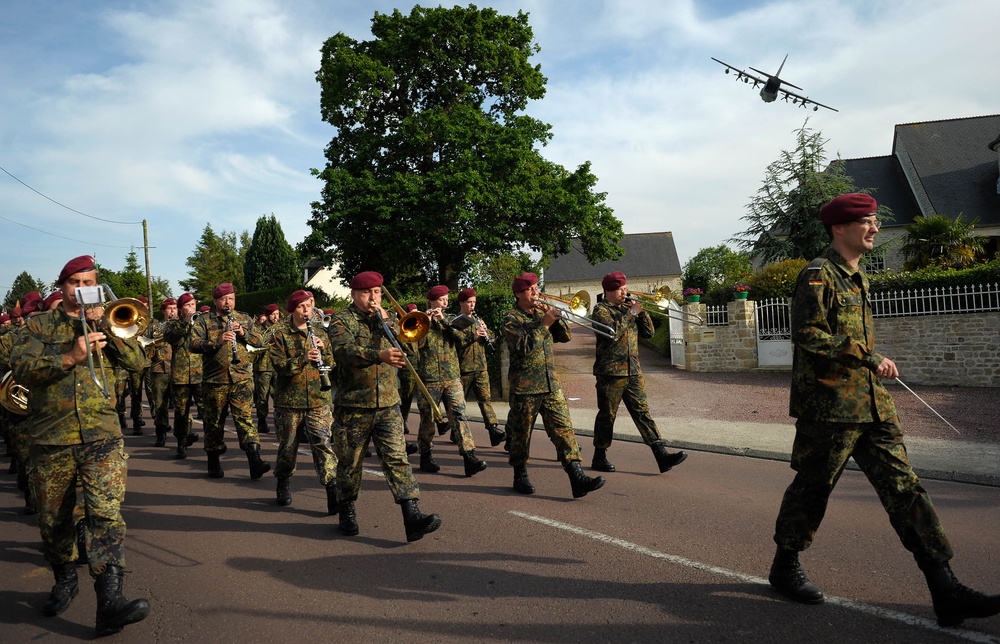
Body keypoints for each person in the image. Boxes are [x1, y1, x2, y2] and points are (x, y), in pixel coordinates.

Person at [768, 193, 1000, 628]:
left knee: (906, 491)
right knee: (812, 490)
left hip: (873, 405)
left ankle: (945, 588)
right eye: (867, 222)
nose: (875, 228)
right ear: (840, 228)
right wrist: (868, 355)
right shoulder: (819, 275)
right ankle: (785, 565)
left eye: (875, 221)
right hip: (830, 408)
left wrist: (869, 366)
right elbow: (807, 335)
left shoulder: (858, 278)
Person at [11, 255, 150, 636]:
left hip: (102, 434)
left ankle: (110, 601)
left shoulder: (107, 321)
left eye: (89, 281)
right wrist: (70, 356)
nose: (82, 288)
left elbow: (138, 363)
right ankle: (65, 579)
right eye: (75, 282)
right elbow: (22, 369)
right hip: (51, 436)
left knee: (105, 515)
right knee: (54, 522)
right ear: (63, 286)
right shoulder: (39, 325)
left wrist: (108, 329)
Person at [327, 271, 441, 543]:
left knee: (397, 460)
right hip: (354, 405)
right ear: (354, 294)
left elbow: (412, 352)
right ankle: (347, 509)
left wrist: (392, 328)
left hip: (389, 404)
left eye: (377, 292)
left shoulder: (388, 317)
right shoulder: (342, 320)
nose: (374, 298)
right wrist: (378, 354)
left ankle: (412, 516)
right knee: (350, 464)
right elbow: (343, 352)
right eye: (368, 293)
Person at [503, 272, 605, 499]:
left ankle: (577, 477)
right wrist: (544, 324)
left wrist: (558, 319)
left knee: (564, 430)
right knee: (521, 435)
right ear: (519, 293)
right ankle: (519, 474)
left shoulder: (541, 312)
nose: (536, 292)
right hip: (525, 387)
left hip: (551, 384)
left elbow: (565, 337)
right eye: (530, 289)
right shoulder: (512, 319)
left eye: (536, 287)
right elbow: (523, 347)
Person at [590, 271, 687, 474]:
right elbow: (612, 333)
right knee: (607, 416)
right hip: (610, 373)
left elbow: (649, 334)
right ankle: (599, 456)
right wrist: (631, 313)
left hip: (633, 370)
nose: (625, 292)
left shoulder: (629, 309)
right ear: (608, 291)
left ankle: (661, 454)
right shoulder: (601, 310)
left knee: (642, 413)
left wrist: (642, 313)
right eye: (620, 289)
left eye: (625, 287)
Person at [190, 283, 270, 480]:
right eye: (224, 299)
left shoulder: (244, 318)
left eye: (232, 299)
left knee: (244, 419)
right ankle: (214, 461)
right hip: (215, 380)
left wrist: (243, 333)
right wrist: (215, 342)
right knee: (214, 422)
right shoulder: (204, 320)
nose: (228, 303)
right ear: (216, 301)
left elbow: (261, 341)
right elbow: (192, 344)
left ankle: (255, 460)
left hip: (241, 377)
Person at [268, 290, 338, 513]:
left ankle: (332, 490)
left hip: (318, 398)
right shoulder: (279, 333)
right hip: (289, 401)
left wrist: (324, 352)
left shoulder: (320, 332)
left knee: (323, 444)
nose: (307, 309)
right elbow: (278, 366)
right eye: (301, 306)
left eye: (309, 304)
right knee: (288, 447)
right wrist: (303, 358)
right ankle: (283, 481)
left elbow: (332, 364)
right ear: (292, 309)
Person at [411, 285, 487, 477]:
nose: (446, 302)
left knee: (459, 415)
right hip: (429, 379)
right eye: (442, 299)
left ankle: (469, 457)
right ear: (432, 301)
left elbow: (463, 339)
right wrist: (425, 322)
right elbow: (413, 346)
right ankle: (426, 456)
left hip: (452, 377)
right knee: (427, 419)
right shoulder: (419, 321)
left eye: (446, 298)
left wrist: (443, 321)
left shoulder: (452, 319)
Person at [453, 288, 505, 447]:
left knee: (485, 399)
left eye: (474, 302)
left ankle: (493, 430)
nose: (472, 305)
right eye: (469, 302)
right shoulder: (457, 322)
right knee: (459, 404)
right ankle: (456, 432)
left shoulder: (478, 319)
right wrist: (473, 336)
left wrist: (486, 330)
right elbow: (456, 342)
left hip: (481, 367)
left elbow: (493, 338)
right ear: (461, 302)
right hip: (464, 368)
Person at [162, 293, 202, 459]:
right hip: (181, 374)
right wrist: (185, 323)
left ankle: (213, 444)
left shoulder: (202, 322)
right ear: (180, 308)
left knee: (207, 409)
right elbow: (171, 338)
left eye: (193, 304)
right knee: (181, 411)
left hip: (200, 373)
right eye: (187, 305)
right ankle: (181, 442)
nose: (191, 308)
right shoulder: (172, 324)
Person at [146, 298, 175, 448]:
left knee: (182, 405)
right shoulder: (155, 326)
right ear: (163, 311)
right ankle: (161, 432)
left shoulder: (182, 325)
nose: (173, 311)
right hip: (159, 368)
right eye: (170, 308)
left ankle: (184, 435)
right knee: (160, 404)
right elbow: (145, 343)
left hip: (178, 370)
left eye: (175, 308)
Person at [253, 303, 280, 434]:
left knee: (279, 395)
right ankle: (262, 419)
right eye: (273, 314)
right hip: (263, 366)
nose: (276, 317)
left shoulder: (282, 328)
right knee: (262, 396)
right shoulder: (258, 329)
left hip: (279, 366)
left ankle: (279, 419)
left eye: (277, 314)